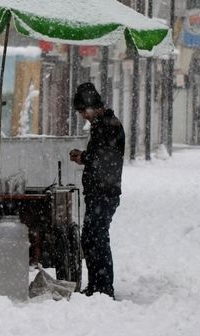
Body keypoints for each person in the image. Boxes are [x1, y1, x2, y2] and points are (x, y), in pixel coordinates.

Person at [69, 82, 125, 299]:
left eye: (84, 111)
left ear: (93, 106)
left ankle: (102, 288)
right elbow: (102, 156)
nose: (83, 115)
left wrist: (83, 157)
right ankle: (97, 286)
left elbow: (103, 159)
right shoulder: (104, 124)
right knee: (93, 238)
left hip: (104, 192)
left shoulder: (107, 125)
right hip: (100, 192)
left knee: (96, 238)